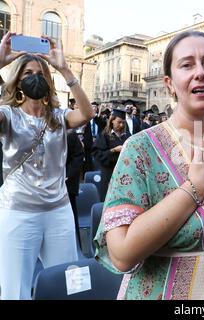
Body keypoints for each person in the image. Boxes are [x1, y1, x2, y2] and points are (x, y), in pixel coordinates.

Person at [93, 30, 204, 300]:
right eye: (187, 65)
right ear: (169, 83)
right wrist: (194, 189)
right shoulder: (141, 148)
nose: (200, 72)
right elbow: (122, 254)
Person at [0, 32, 94, 299]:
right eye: (28, 73)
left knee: (70, 284)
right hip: (18, 214)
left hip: (59, 212)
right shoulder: (8, 115)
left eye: (40, 72)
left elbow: (87, 114)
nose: (35, 77)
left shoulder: (58, 116)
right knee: (14, 290)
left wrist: (63, 68)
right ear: (18, 81)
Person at [92, 108, 131, 201]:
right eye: (119, 122)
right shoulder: (104, 135)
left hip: (124, 174)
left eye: (123, 123)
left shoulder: (127, 136)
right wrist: (114, 150)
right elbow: (97, 154)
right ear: (112, 121)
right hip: (109, 174)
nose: (121, 125)